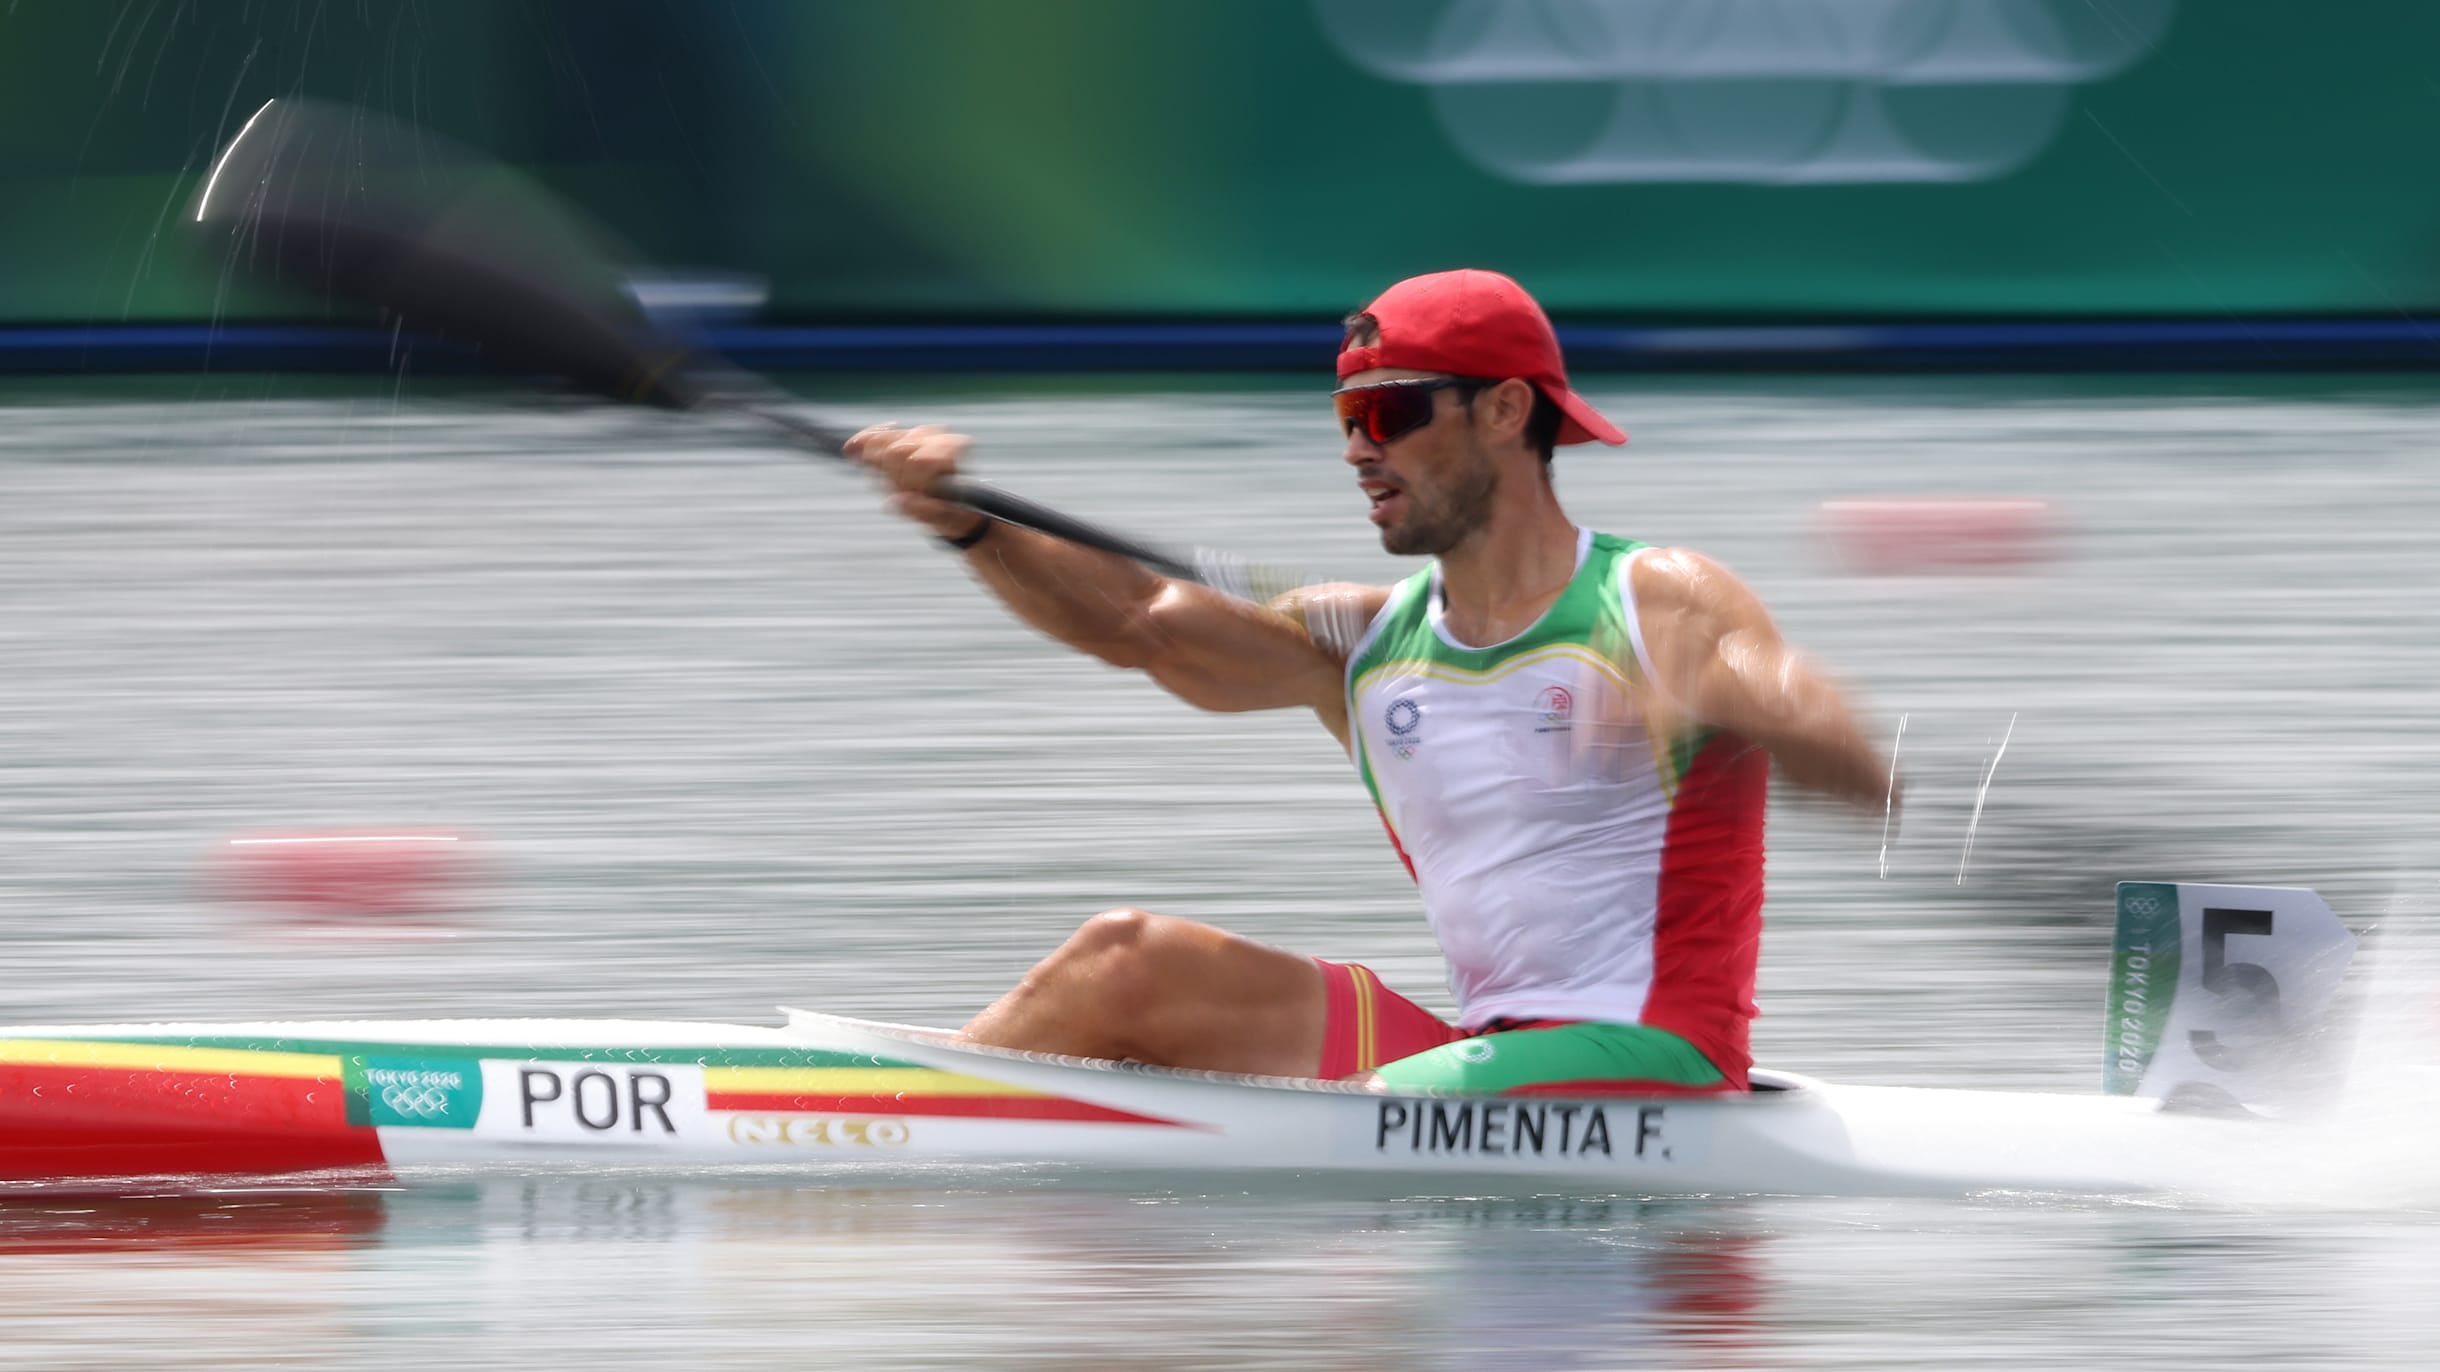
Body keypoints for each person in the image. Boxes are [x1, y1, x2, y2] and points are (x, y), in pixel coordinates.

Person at [846, 268, 1893, 1095]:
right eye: (1346, 414)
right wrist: (969, 525)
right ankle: (897, 1116)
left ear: (1504, 411)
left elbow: (1842, 750)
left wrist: (1735, 704)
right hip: (1478, 1053)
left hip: (1651, 1052)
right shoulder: (1363, 641)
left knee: (1367, 1144)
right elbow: (1134, 623)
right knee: (1124, 959)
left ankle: (871, 1128)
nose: (1356, 447)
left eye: (1389, 412)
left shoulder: (1652, 598)